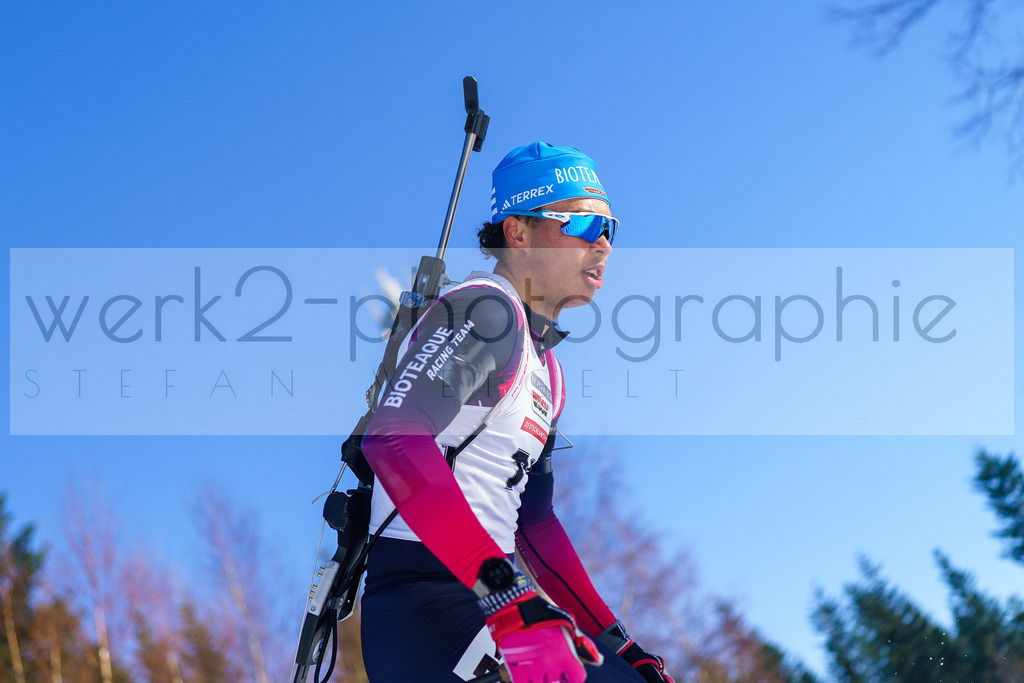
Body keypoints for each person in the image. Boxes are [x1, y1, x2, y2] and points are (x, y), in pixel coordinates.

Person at [360, 142, 673, 683]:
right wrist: (507, 597)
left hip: (493, 603)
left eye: (610, 228)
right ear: (518, 232)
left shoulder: (547, 371)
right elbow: (393, 438)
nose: (602, 242)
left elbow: (535, 522)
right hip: (428, 606)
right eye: (580, 223)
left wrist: (619, 645)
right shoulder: (487, 309)